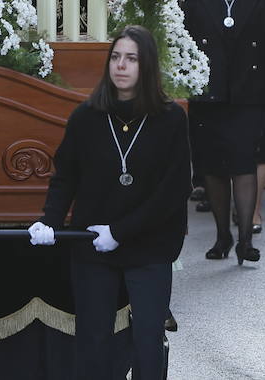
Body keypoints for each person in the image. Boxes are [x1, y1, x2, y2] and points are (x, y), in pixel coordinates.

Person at [30, 26, 189, 380]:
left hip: (149, 244)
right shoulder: (87, 116)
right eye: (116, 58)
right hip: (94, 245)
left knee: (148, 339)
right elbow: (66, 176)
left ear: (146, 65)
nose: (121, 66)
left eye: (131, 59)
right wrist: (50, 221)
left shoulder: (170, 118)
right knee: (93, 339)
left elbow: (173, 191)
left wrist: (121, 230)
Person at [182, 0, 265, 261]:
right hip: (208, 93)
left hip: (250, 92)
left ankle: (245, 239)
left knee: (244, 164)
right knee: (213, 168)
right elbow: (183, 42)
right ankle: (221, 236)